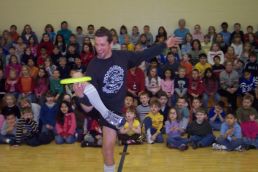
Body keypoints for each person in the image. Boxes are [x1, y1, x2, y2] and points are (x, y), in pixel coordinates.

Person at [71, 27, 180, 172]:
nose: (99, 48)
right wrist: (80, 96)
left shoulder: (122, 56)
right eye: (96, 44)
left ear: (111, 43)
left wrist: (165, 44)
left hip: (114, 109)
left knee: (108, 148)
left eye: (102, 44)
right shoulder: (93, 66)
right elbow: (88, 108)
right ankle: (104, 112)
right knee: (79, 79)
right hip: (99, 107)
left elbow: (144, 54)